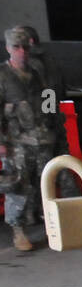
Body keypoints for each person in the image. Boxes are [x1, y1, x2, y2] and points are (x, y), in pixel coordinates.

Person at [0, 27, 58, 252]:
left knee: (45, 183)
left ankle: (50, 226)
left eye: (25, 47)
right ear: (8, 48)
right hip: (17, 143)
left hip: (41, 139)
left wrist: (52, 122)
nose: (22, 52)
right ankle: (18, 231)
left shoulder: (37, 73)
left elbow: (49, 98)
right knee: (19, 187)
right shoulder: (3, 76)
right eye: (16, 47)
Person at [14, 25, 77, 200]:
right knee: (62, 161)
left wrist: (43, 117)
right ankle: (71, 201)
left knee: (42, 168)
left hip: (43, 121)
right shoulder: (50, 59)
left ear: (30, 41)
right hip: (55, 115)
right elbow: (57, 89)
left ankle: (46, 208)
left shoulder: (34, 63)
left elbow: (42, 92)